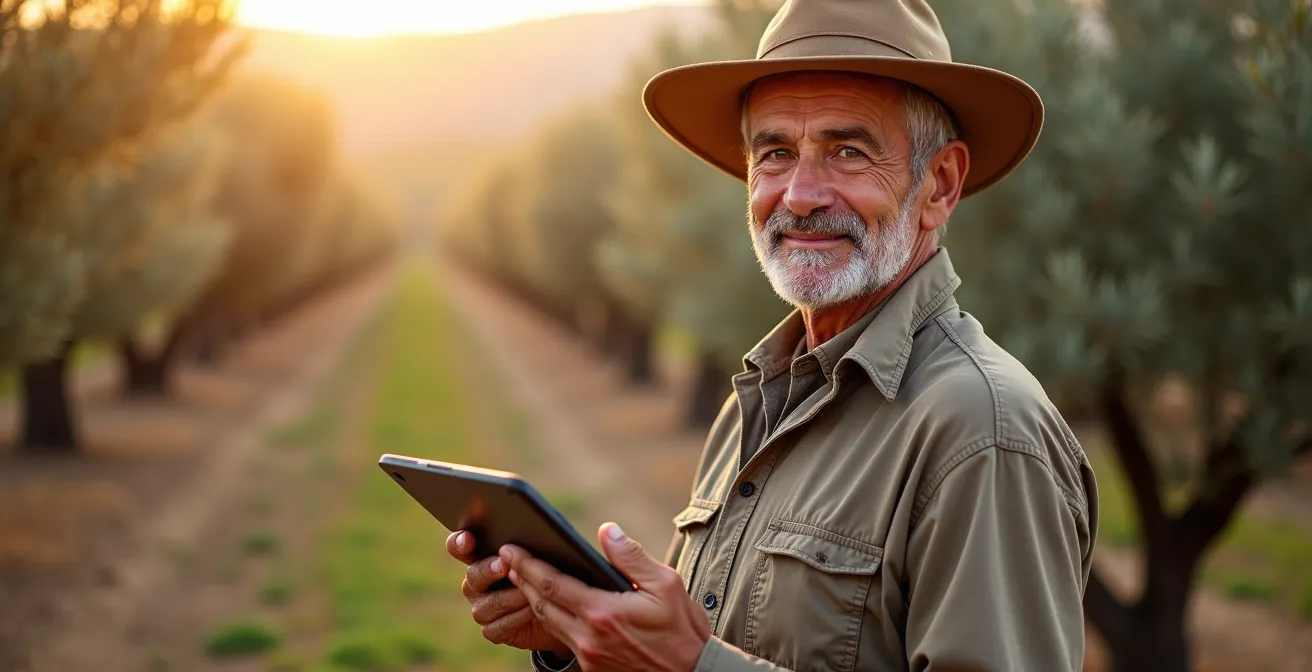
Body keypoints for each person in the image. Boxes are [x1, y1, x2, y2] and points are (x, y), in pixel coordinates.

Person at [446, 0, 1099, 669]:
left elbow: (697, 659)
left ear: (939, 184)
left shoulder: (983, 430)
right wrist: (581, 635)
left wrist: (691, 666)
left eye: (848, 151)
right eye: (776, 152)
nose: (801, 194)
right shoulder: (757, 400)